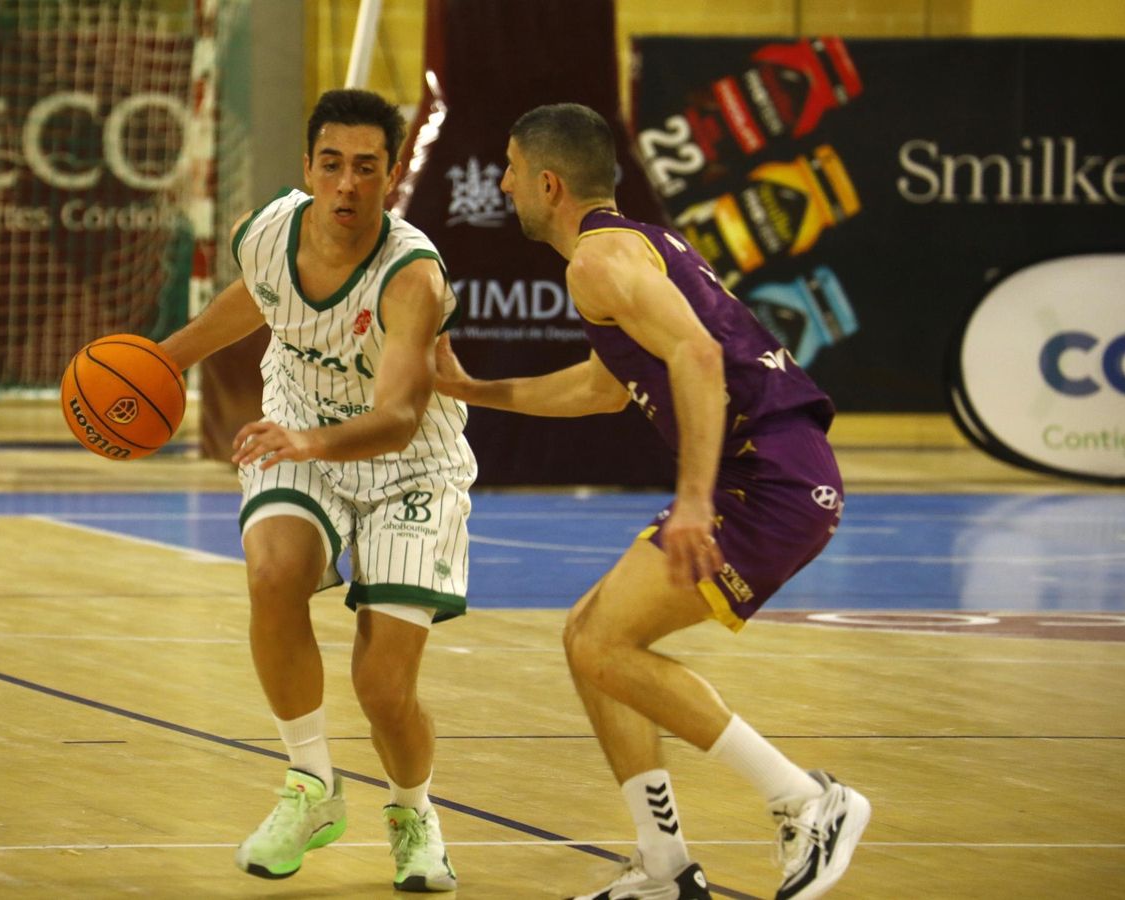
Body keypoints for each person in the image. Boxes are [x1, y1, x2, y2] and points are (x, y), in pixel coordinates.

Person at [433, 103, 871, 900]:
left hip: (768, 477)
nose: (501, 183)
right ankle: (664, 865)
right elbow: (603, 389)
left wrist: (696, 501)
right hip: (767, 470)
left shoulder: (597, 262)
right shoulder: (630, 249)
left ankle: (808, 801)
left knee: (604, 645)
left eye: (509, 167)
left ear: (549, 182)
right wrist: (473, 389)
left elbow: (700, 357)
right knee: (586, 638)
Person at [158, 88, 474, 893]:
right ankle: (310, 785)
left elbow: (401, 415)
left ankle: (414, 813)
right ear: (307, 167)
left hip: (411, 467)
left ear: (392, 174)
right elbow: (259, 297)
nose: (346, 184)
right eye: (330, 165)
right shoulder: (267, 231)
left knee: (383, 688)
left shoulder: (413, 277)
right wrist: (165, 358)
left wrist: (311, 439)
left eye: (366, 168)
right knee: (273, 573)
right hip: (298, 432)